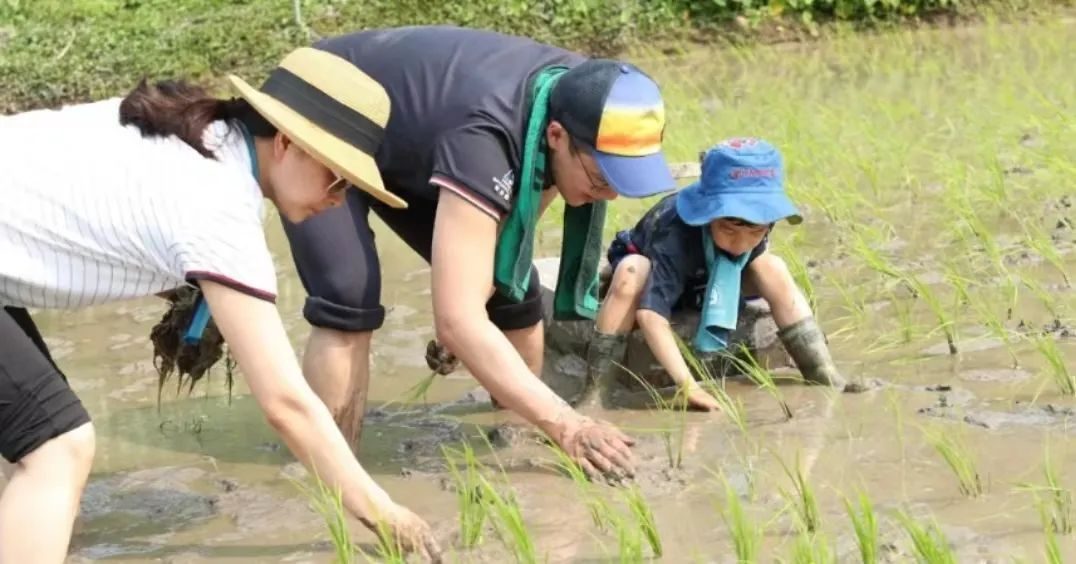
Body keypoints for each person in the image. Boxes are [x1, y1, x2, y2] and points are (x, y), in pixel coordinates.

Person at [0, 48, 440, 562]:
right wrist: (384, 513)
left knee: (35, 436)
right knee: (57, 447)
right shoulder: (220, 205)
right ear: (286, 143)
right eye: (338, 177)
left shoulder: (198, 133)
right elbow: (287, 404)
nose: (339, 199)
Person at [272, 25, 675, 480]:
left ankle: (515, 447)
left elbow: (510, 237)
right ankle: (331, 475)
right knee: (348, 294)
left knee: (512, 293)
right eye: (602, 180)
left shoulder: (584, 95)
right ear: (557, 137)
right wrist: (568, 421)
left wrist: (471, 307)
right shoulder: (488, 136)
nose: (609, 198)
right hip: (325, 109)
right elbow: (457, 319)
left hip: (420, 135)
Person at [577, 138, 848, 411]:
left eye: (755, 232)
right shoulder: (674, 232)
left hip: (710, 279)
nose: (741, 244)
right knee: (631, 271)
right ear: (707, 216)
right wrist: (688, 386)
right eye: (730, 230)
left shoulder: (761, 224)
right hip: (656, 275)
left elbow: (754, 253)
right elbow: (650, 315)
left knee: (773, 266)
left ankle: (821, 371)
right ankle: (596, 393)